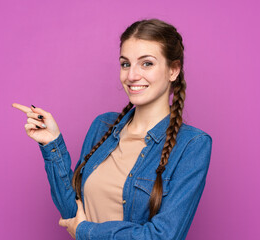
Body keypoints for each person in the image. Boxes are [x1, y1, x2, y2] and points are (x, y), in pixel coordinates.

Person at [12, 18, 212, 240]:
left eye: (147, 63)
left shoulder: (192, 145)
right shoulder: (103, 126)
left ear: (173, 70)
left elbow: (164, 236)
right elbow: (73, 213)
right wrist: (52, 144)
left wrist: (86, 231)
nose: (132, 75)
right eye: (125, 63)